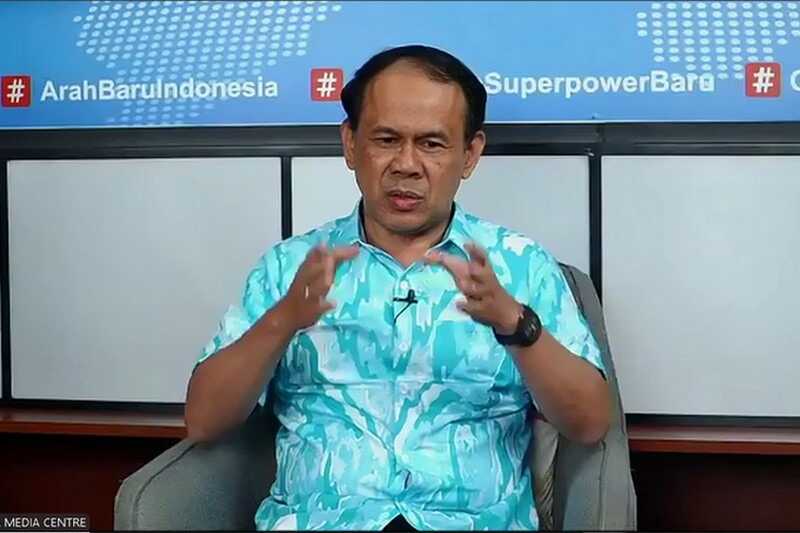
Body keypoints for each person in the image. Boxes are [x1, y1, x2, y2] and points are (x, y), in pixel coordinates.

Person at [185, 44, 610, 531]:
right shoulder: (291, 268)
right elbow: (204, 421)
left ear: (470, 153)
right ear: (350, 143)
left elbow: (589, 423)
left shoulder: (519, 266)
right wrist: (282, 321)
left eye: (432, 144)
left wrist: (514, 324)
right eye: (386, 139)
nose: (406, 164)